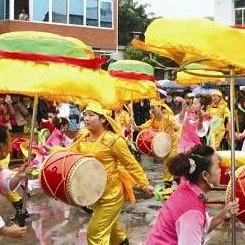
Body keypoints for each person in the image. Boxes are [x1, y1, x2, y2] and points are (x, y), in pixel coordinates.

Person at [69, 102, 154, 245]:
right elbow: (70, 154)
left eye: (91, 115)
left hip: (111, 195)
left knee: (95, 233)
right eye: (85, 115)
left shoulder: (114, 140)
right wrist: (52, 151)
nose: (86, 118)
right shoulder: (83, 137)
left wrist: (144, 184)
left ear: (103, 119)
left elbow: (131, 164)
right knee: (112, 227)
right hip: (93, 192)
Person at [145, 145, 240, 245]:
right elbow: (194, 226)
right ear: (205, 175)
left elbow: (201, 228)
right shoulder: (192, 212)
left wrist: (224, 213)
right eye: (217, 166)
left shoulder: (188, 188)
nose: (221, 170)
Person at [136, 100, 179, 189]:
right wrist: (133, 125)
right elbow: (142, 127)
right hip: (164, 146)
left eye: (153, 108)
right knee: (170, 166)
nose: (151, 110)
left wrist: (179, 136)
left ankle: (168, 187)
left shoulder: (168, 117)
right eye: (150, 108)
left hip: (173, 145)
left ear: (160, 107)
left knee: (169, 164)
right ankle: (176, 184)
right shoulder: (153, 120)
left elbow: (179, 127)